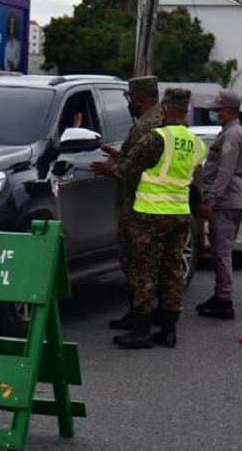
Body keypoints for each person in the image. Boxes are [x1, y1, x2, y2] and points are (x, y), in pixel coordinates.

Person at [102, 88, 205, 349]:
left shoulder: (156, 138)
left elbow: (126, 170)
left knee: (144, 271)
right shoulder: (196, 143)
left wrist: (109, 167)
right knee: (172, 272)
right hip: (179, 214)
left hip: (150, 214)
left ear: (166, 109)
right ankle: (168, 331)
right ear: (186, 111)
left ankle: (141, 331)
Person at [91, 76, 163, 332]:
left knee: (138, 262)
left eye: (131, 99)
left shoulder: (148, 126)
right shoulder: (151, 122)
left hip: (138, 204)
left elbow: (140, 170)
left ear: (140, 99)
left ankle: (140, 317)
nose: (129, 104)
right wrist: (120, 155)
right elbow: (142, 160)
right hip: (141, 203)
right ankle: (138, 312)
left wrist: (113, 169)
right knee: (137, 261)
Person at [195, 90, 242, 320]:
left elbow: (225, 170)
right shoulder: (234, 132)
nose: (216, 113)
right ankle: (220, 296)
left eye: (219, 109)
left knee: (221, 253)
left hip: (227, 201)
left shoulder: (231, 136)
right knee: (220, 251)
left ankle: (224, 300)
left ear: (230, 110)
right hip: (231, 199)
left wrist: (211, 199)